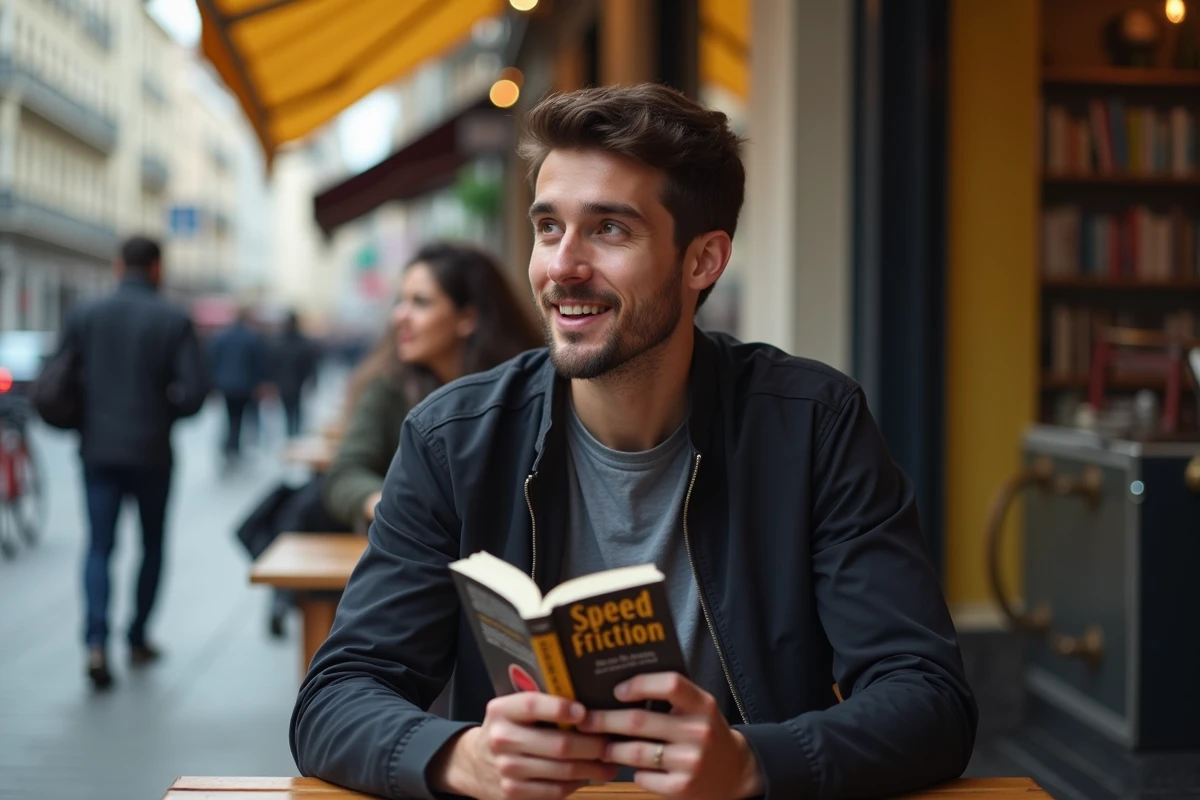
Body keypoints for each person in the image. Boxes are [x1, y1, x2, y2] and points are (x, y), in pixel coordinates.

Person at [291, 85, 977, 800]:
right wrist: (461, 756)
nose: (561, 266)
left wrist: (752, 762)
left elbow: (929, 698)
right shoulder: (452, 439)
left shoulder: (813, 425)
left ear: (703, 261)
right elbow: (334, 697)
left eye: (610, 230)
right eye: (549, 228)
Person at [59, 236, 211, 690]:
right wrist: (164, 411)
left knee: (99, 547)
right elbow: (197, 392)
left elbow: (60, 374)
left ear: (118, 265)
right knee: (151, 545)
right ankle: (139, 635)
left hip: (98, 450)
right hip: (151, 452)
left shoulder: (85, 314)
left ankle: (95, 642)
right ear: (158, 268)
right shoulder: (173, 319)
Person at [322, 242, 543, 529]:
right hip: (417, 552)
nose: (400, 316)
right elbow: (345, 473)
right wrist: (393, 506)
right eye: (401, 301)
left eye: (420, 302)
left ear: (467, 318)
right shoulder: (389, 384)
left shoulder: (528, 389)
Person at [207, 308, 268, 460]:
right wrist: (259, 384)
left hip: (226, 386)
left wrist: (212, 385)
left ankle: (229, 446)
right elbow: (258, 364)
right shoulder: (251, 338)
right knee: (239, 419)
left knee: (230, 417)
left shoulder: (221, 337)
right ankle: (233, 447)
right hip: (244, 386)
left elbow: (212, 361)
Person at [271, 310, 320, 438]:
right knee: (296, 408)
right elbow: (311, 364)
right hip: (298, 381)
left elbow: (273, 364)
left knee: (288, 409)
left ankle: (290, 433)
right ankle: (294, 433)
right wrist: (313, 381)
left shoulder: (279, 342)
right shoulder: (302, 342)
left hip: (285, 381)